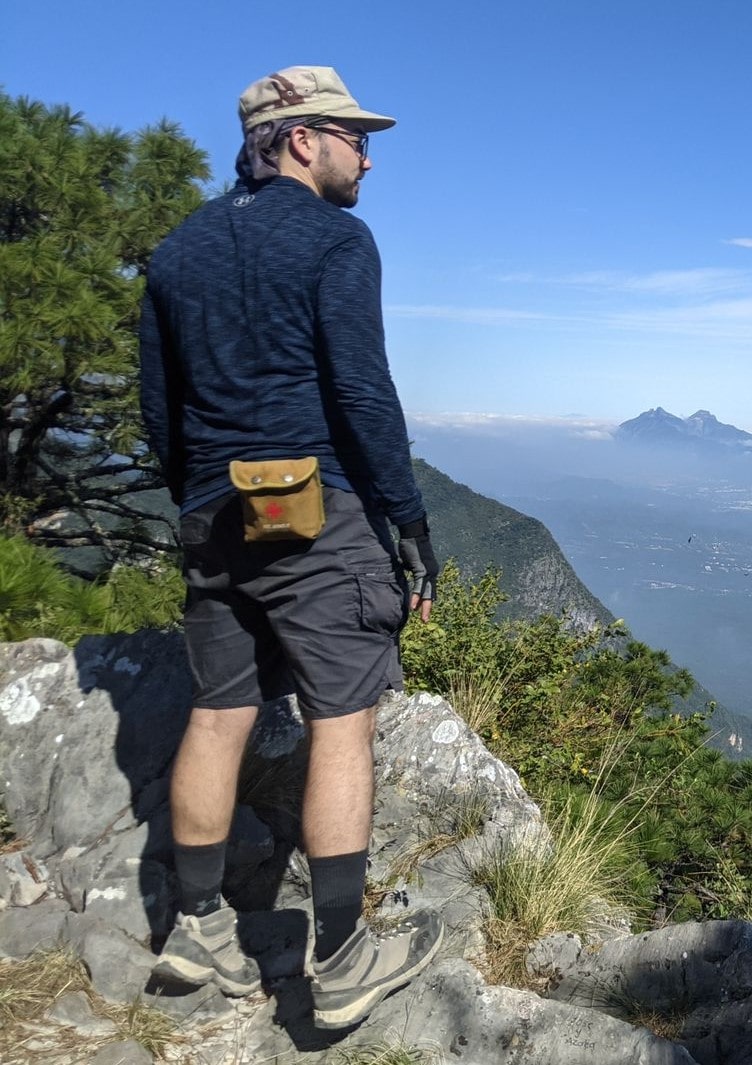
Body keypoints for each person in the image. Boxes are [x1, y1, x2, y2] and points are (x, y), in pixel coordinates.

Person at [138, 66, 443, 1030]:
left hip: (209, 512)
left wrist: (199, 493)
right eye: (356, 138)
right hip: (313, 511)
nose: (368, 158)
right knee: (342, 718)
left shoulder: (177, 249)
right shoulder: (336, 239)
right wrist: (408, 519)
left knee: (219, 710)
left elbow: (158, 404)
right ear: (301, 139)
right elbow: (361, 389)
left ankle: (197, 926)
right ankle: (343, 956)